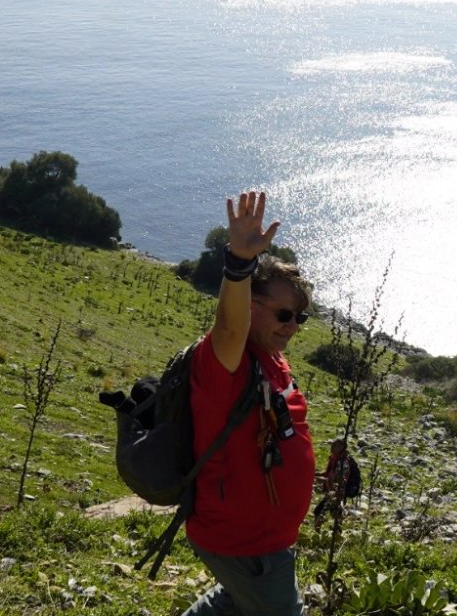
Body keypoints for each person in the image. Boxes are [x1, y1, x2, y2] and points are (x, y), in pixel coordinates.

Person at [182, 191, 316, 616]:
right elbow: (228, 324)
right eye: (283, 315)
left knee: (236, 603)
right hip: (247, 542)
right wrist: (239, 264)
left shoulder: (271, 360)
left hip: (260, 539)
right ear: (251, 306)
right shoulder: (227, 361)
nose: (293, 326)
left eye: (299, 317)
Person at [313, 438, 357, 527]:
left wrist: (320, 480)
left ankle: (320, 531)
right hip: (331, 491)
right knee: (335, 515)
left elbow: (338, 480)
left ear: (342, 448)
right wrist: (314, 474)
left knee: (320, 512)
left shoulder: (343, 462)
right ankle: (333, 533)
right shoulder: (333, 458)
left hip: (337, 493)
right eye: (332, 444)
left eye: (335, 446)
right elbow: (327, 473)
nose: (332, 447)